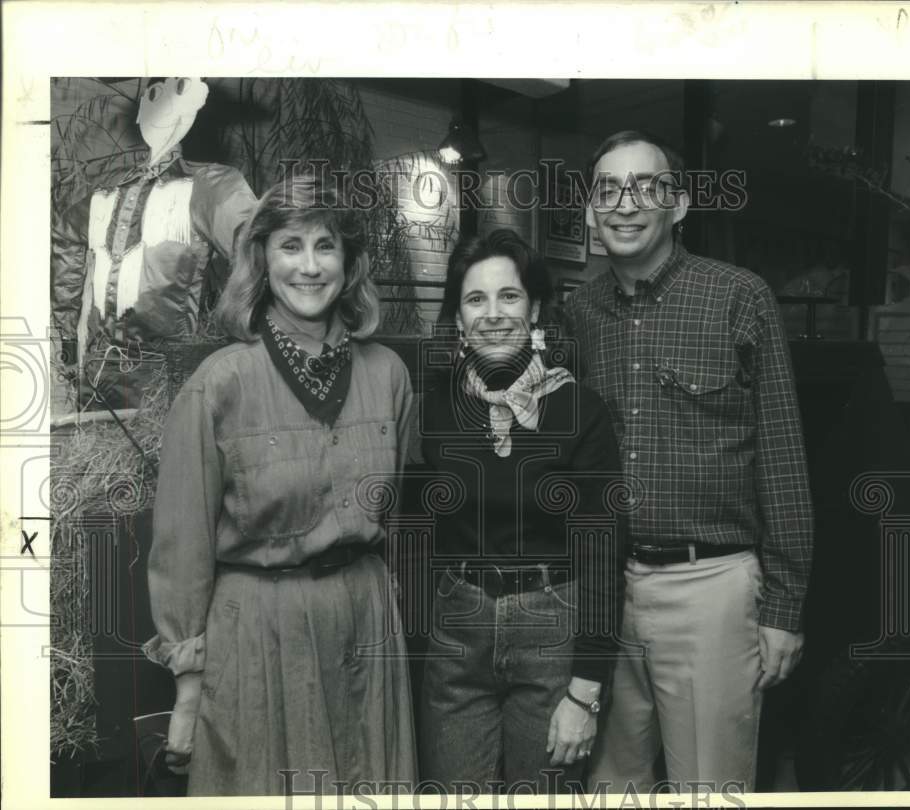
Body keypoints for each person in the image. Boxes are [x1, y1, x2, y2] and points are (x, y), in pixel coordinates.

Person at [143, 177, 417, 796]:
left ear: (349, 264)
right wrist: (188, 687)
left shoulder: (388, 375)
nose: (311, 266)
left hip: (369, 624)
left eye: (327, 246)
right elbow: (181, 543)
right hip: (262, 634)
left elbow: (408, 518)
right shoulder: (219, 384)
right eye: (291, 246)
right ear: (262, 260)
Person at [563, 131, 813, 794]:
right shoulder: (579, 314)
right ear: (590, 208)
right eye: (607, 190)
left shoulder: (738, 296)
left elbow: (784, 455)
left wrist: (785, 606)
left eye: (645, 186)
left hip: (712, 588)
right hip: (609, 592)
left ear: (679, 203)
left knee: (708, 789)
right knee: (611, 790)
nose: (624, 205)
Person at [419, 229, 626, 794]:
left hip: (551, 629)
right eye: (475, 299)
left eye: (508, 297)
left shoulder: (581, 411)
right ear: (458, 318)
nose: (492, 314)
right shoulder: (434, 409)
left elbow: (604, 553)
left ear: (534, 308)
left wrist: (587, 687)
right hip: (456, 634)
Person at [51, 77, 257, 410]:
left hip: (168, 376)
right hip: (99, 369)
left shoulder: (211, 188)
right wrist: (69, 343)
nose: (168, 104)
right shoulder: (100, 191)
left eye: (181, 90)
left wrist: (242, 348)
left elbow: (260, 257)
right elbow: (66, 244)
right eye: (155, 93)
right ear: (141, 109)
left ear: (195, 106)